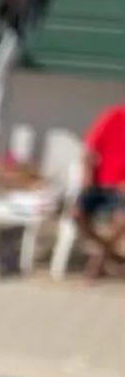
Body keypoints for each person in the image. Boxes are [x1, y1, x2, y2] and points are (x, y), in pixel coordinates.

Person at [75, 102, 125, 278]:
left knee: (121, 219)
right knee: (77, 214)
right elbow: (89, 148)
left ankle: (97, 262)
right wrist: (86, 175)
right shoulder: (114, 116)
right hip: (99, 183)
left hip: (122, 189)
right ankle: (108, 252)